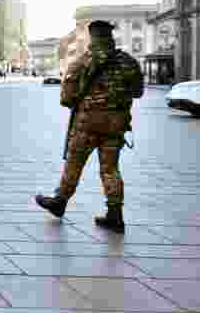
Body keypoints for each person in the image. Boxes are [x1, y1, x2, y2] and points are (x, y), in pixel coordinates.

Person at [35, 20, 144, 233]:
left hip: (86, 125)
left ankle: (60, 202)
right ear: (110, 37)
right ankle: (115, 215)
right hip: (115, 126)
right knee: (110, 169)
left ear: (92, 38)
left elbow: (66, 99)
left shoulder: (80, 63)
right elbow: (138, 91)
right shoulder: (128, 62)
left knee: (74, 165)